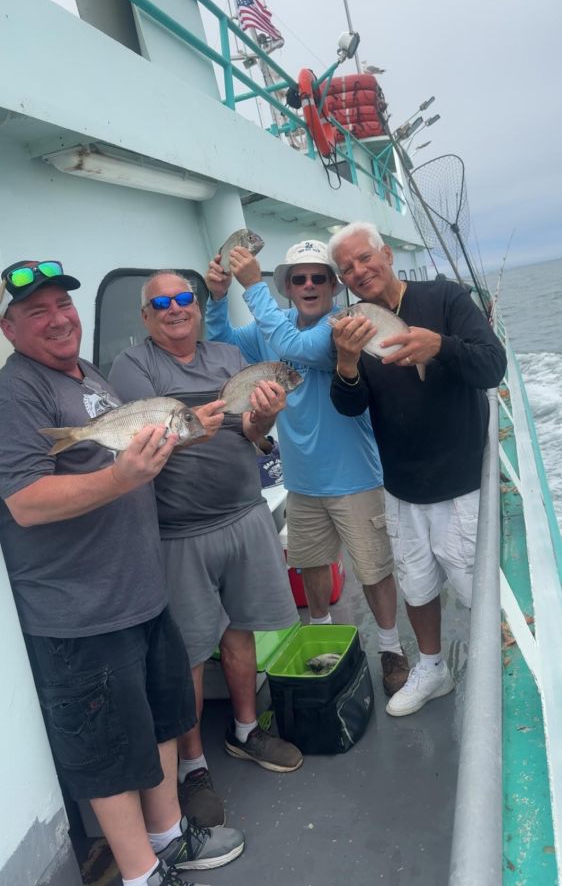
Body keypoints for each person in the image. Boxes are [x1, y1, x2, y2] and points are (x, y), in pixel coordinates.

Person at [0, 260, 244, 886]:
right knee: (110, 751)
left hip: (139, 590)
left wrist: (185, 436)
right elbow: (25, 502)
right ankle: (141, 874)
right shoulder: (15, 392)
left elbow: (127, 445)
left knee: (162, 723)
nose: (59, 319)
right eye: (37, 312)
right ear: (9, 328)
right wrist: (121, 478)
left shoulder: (88, 375)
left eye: (64, 306)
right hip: (82, 609)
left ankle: (168, 837)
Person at [109, 269, 302, 833]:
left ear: (197, 304)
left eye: (184, 298)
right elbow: (135, 435)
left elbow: (253, 432)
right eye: (161, 302)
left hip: (243, 513)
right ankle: (192, 767)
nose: (176, 308)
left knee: (240, 630)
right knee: (189, 654)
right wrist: (193, 426)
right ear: (146, 316)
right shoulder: (135, 366)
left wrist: (263, 418)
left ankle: (246, 730)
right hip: (178, 531)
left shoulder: (226, 357)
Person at [205, 239, 409, 696]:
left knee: (374, 569)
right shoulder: (269, 329)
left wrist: (253, 287)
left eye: (320, 277)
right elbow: (221, 343)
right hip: (300, 478)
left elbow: (298, 346)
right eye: (300, 278)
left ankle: (392, 649)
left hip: (356, 475)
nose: (310, 284)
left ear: (334, 286)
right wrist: (217, 298)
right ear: (289, 287)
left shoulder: (343, 323)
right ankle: (322, 632)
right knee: (312, 565)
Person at [327, 223, 507, 717]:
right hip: (403, 484)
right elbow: (350, 406)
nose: (359, 271)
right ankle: (433, 668)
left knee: (475, 589)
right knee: (417, 584)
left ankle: (499, 668)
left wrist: (441, 348)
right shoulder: (353, 326)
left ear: (386, 253)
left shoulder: (445, 298)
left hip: (462, 481)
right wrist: (345, 362)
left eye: (365, 258)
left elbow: (493, 366)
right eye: (347, 268)